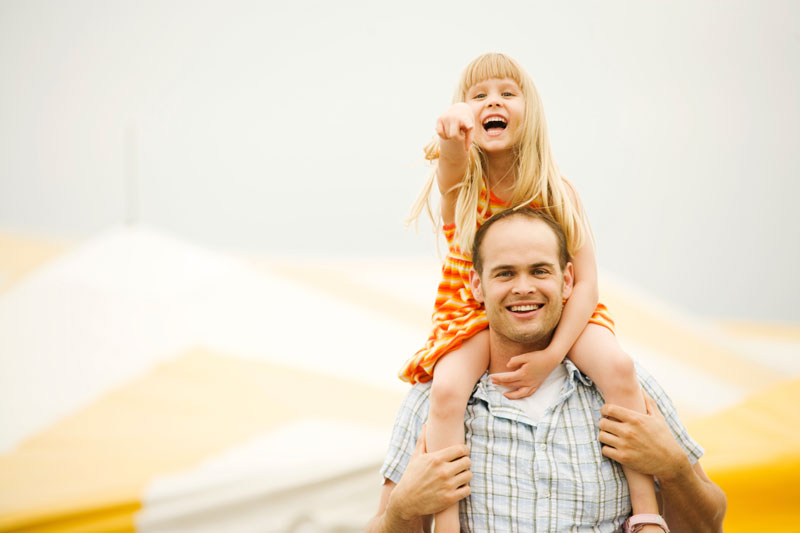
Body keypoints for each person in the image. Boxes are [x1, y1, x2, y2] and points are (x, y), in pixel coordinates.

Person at [400, 52, 660, 532]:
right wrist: (450, 134)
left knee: (620, 367)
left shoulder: (556, 189)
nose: (491, 102)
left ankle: (646, 514)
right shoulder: (466, 184)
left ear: (529, 110)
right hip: (475, 311)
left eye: (505, 93)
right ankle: (447, 522)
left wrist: (554, 353)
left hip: (559, 310)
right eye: (478, 96)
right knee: (448, 391)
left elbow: (586, 284)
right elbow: (451, 164)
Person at [368, 208, 727, 532]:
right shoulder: (432, 400)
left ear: (568, 279)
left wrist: (676, 470)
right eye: (505, 273)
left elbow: (709, 527)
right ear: (477, 285)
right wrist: (402, 510)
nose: (523, 288)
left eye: (539, 271)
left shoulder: (627, 385)